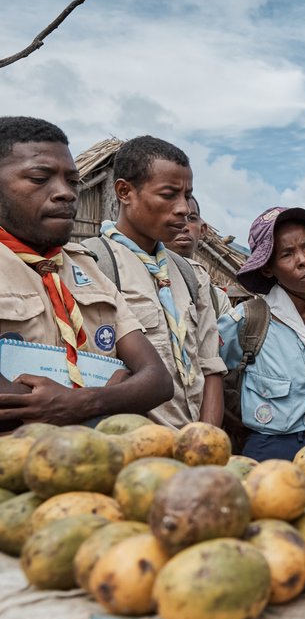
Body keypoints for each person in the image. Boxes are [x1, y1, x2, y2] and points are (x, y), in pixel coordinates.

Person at [0, 117, 172, 429]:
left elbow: (157, 381)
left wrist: (83, 402)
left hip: (95, 455)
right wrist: (117, 393)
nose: (65, 193)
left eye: (72, 181)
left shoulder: (86, 267)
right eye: (39, 178)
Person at [82, 136, 226, 429]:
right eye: (168, 195)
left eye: (187, 195)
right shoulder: (90, 264)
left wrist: (205, 438)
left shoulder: (191, 274)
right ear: (125, 192)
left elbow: (210, 367)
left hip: (192, 443)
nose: (183, 208)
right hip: (128, 444)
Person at [218, 207, 305, 461]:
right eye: (287, 254)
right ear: (268, 269)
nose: (304, 259)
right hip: (270, 447)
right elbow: (209, 367)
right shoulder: (249, 320)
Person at [167, 195, 233, 321]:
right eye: (175, 217)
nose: (184, 226)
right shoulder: (141, 280)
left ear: (202, 230)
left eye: (191, 218)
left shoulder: (217, 300)